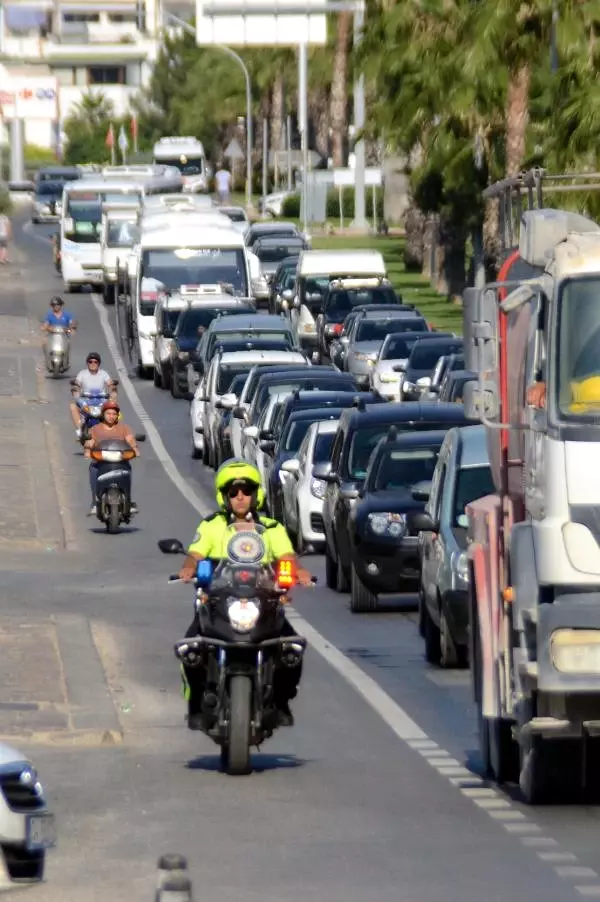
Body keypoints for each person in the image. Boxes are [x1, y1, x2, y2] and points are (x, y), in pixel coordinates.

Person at [177, 459, 313, 730]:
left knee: (292, 650)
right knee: (191, 649)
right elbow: (195, 552)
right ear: (224, 496)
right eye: (234, 492)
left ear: (256, 494)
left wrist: (299, 572)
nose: (241, 497)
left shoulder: (272, 528)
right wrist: (188, 567)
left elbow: (286, 555)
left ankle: (282, 702)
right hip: (217, 603)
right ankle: (196, 707)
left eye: (246, 491)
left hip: (262, 602)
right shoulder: (212, 525)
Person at [84, 400, 139, 516]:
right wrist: (88, 448)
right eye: (108, 413)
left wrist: (135, 449)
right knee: (93, 469)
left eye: (114, 414)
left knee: (127, 471)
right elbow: (91, 441)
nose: (111, 416)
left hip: (120, 460)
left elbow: (130, 439)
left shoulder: (124, 428)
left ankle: (128, 500)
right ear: (103, 414)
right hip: (101, 461)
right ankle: (95, 502)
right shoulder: (96, 429)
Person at [70, 352, 116, 438]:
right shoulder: (82, 374)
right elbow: (77, 385)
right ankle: (80, 429)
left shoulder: (104, 374)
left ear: (99, 363)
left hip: (101, 401)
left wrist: (113, 392)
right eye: (90, 361)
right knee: (73, 406)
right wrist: (75, 392)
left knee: (114, 407)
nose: (93, 364)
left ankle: (114, 429)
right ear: (87, 363)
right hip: (86, 401)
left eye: (95, 362)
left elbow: (110, 384)